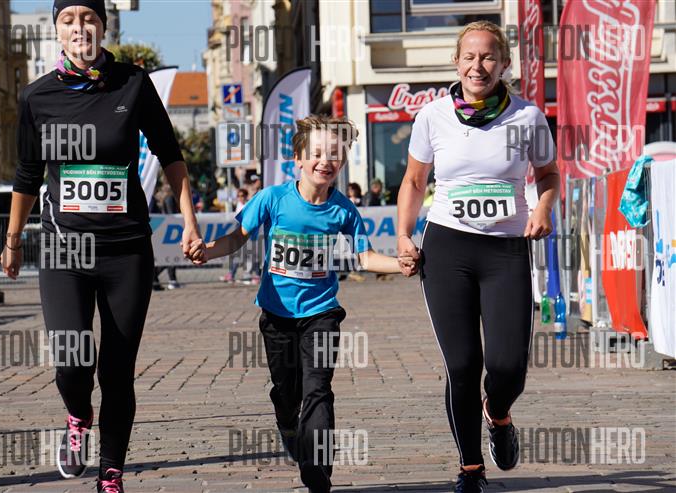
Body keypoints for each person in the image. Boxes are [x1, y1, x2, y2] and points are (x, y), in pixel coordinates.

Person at [0, 1, 205, 491]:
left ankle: (111, 471)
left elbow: (170, 154)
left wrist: (190, 221)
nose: (80, 28)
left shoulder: (133, 83)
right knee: (73, 361)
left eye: (89, 18)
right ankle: (77, 415)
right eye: (68, 20)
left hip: (126, 250)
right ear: (56, 31)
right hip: (64, 249)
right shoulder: (36, 97)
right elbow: (27, 175)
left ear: (103, 25)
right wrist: (12, 240)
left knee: (116, 370)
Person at [190, 115, 405, 493]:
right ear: (299, 160)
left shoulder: (344, 210)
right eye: (317, 153)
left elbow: (366, 257)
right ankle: (288, 424)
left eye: (334, 154)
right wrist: (207, 251)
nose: (325, 161)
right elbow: (237, 238)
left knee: (318, 388)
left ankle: (317, 467)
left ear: (342, 162)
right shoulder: (273, 199)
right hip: (277, 316)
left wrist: (403, 265)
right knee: (287, 392)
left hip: (322, 313)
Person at [396, 21, 559, 493]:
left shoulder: (528, 117)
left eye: (488, 57)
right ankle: (470, 468)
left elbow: (548, 174)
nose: (478, 65)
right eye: (469, 56)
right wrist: (404, 236)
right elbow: (414, 181)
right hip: (448, 247)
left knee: (508, 367)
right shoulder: (432, 116)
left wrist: (543, 208)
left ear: (504, 63)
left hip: (505, 250)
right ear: (456, 62)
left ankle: (499, 412)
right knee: (463, 365)